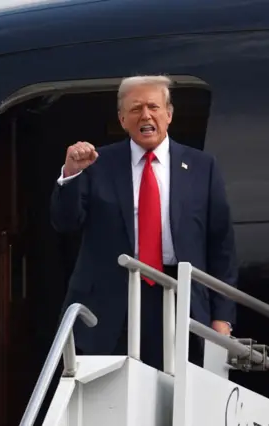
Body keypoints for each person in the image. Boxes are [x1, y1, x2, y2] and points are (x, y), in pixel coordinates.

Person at [50, 75, 237, 370]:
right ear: (123, 119)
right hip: (111, 305)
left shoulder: (203, 167)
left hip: (180, 300)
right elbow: (65, 223)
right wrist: (71, 174)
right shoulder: (98, 164)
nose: (146, 115)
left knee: (177, 405)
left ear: (169, 115)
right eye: (135, 109)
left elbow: (221, 246)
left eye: (153, 106)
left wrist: (222, 317)